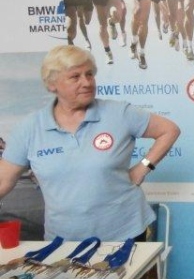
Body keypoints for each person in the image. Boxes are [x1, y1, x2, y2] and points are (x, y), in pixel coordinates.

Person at [0, 45, 181, 242]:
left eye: (89, 75)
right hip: (63, 239)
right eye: (75, 77)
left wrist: (143, 167)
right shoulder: (29, 128)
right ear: (52, 84)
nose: (86, 82)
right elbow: (3, 179)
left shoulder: (119, 113)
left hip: (125, 232)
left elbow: (169, 130)